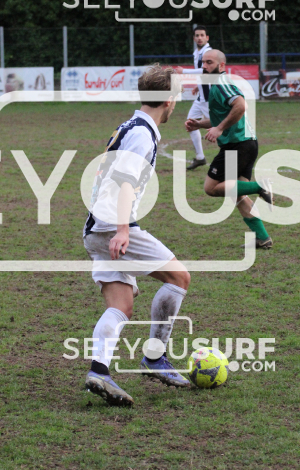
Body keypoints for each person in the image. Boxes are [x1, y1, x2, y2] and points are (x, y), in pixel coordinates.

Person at [83, 65, 191, 407]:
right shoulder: (142, 134)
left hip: (97, 227)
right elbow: (125, 182)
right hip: (112, 226)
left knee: (121, 306)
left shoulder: (130, 125)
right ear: (169, 100)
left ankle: (99, 371)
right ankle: (155, 357)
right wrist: (122, 229)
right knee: (179, 277)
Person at [185, 49, 273, 250]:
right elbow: (221, 117)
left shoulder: (221, 82)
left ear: (222, 65)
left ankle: (260, 187)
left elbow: (240, 106)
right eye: (203, 62)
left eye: (209, 62)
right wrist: (199, 124)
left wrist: (219, 129)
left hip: (237, 145)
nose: (205, 66)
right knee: (237, 194)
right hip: (246, 144)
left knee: (211, 188)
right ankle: (263, 238)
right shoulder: (216, 85)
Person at [175, 25, 212, 169]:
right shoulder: (197, 52)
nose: (199, 38)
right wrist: (199, 84)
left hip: (208, 98)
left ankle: (234, 156)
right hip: (201, 97)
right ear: (194, 38)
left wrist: (183, 71)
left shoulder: (207, 52)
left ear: (207, 38)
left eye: (202, 35)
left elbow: (205, 70)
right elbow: (204, 74)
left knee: (219, 127)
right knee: (191, 123)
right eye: (197, 35)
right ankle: (200, 157)